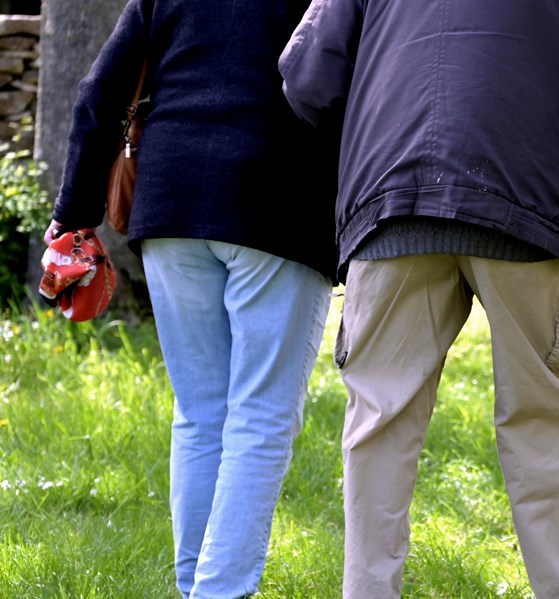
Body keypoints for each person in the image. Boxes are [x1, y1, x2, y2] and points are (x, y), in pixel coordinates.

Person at [279, 0, 559, 596]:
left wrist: (382, 118)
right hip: (531, 198)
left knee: (380, 420)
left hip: (393, 199)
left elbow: (309, 77)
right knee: (546, 419)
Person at [44, 1, 338, 596]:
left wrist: (73, 215)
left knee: (201, 412)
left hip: (170, 196)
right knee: (260, 414)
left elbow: (99, 91)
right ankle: (219, 591)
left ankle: (195, 586)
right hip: (278, 197)